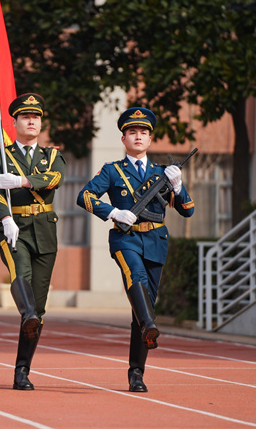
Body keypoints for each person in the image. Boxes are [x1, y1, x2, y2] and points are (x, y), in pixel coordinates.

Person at [76, 107, 194, 393]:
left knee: (142, 309)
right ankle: (149, 324)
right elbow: (85, 196)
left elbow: (188, 210)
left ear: (150, 139)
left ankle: (136, 373)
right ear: (123, 138)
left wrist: (178, 186)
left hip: (156, 240)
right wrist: (113, 212)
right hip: (125, 239)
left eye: (143, 132)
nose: (138, 136)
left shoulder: (161, 173)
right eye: (132, 132)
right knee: (136, 277)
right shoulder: (112, 170)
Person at [0, 93, 66, 390]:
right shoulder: (0, 156)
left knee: (39, 308)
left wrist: (23, 181)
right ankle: (27, 313)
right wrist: (5, 218)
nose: (31, 121)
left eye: (36, 117)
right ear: (15, 122)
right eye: (25, 117)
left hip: (44, 231)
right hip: (14, 229)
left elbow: (55, 178)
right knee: (21, 275)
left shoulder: (52, 155)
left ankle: (22, 370)